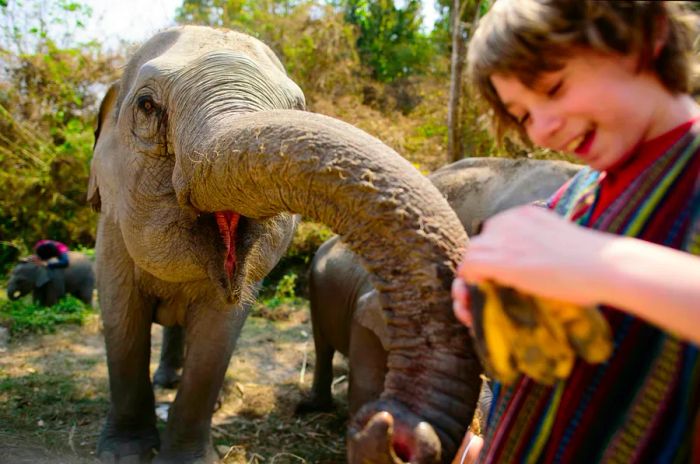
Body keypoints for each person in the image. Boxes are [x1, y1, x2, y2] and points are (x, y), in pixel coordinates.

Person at [450, 1, 700, 462]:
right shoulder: (568, 204)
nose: (542, 131)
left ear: (645, 36)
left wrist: (601, 265)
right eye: (522, 115)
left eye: (554, 88)